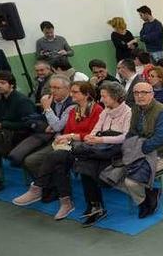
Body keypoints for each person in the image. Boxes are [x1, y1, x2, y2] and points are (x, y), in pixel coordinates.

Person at [12, 82, 102, 219]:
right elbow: (67, 130)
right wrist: (62, 138)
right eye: (71, 91)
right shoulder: (74, 110)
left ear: (87, 94)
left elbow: (93, 135)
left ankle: (38, 188)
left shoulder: (97, 110)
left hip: (87, 148)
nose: (71, 94)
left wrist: (69, 136)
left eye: (75, 92)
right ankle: (65, 203)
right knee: (58, 163)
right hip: (71, 146)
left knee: (55, 157)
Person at [115, 81, 163, 219]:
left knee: (131, 181)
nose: (140, 96)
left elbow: (160, 139)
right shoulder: (136, 109)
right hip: (140, 151)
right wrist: (131, 149)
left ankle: (142, 202)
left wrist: (137, 149)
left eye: (144, 93)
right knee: (111, 174)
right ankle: (149, 194)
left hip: (161, 155)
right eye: (136, 93)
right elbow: (131, 133)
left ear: (152, 94)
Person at [77, 82, 133, 226]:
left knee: (85, 163)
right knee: (86, 168)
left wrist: (100, 139)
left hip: (118, 150)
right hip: (102, 149)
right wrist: (91, 137)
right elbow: (96, 129)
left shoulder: (128, 112)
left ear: (115, 97)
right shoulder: (105, 111)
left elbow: (124, 137)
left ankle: (95, 206)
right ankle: (95, 206)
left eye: (104, 96)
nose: (101, 100)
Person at [0, 71, 34, 198]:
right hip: (5, 136)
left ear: (12, 85)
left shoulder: (22, 101)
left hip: (21, 138)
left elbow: (29, 125)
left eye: (2, 83)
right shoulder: (2, 100)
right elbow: (4, 120)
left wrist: (2, 125)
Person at [9, 74, 74, 179]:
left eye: (57, 88)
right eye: (51, 87)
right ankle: (45, 184)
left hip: (64, 140)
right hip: (47, 136)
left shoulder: (72, 104)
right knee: (20, 155)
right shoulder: (51, 99)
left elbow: (57, 127)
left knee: (30, 161)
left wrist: (47, 108)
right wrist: (46, 124)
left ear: (67, 89)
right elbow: (44, 119)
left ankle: (48, 185)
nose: (52, 91)